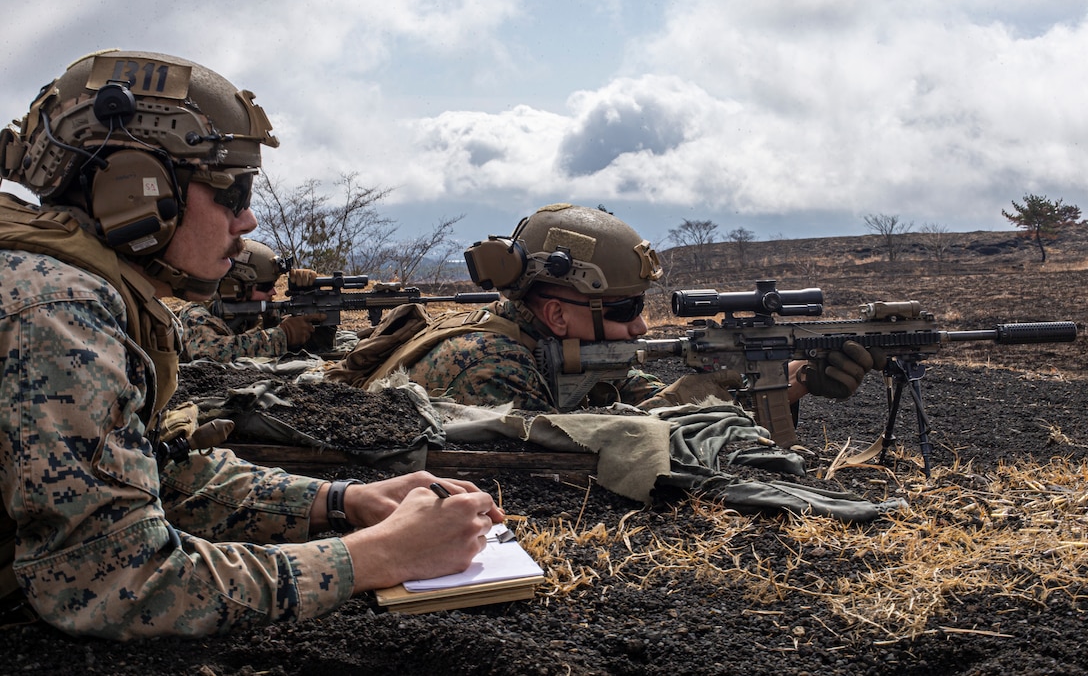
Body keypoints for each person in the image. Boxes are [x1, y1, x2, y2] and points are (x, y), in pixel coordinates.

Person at [0, 50, 501, 639]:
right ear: (137, 192)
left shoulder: (72, 286)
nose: (249, 221)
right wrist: (379, 555)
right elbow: (119, 584)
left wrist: (344, 501)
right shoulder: (55, 310)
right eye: (232, 192)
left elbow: (163, 477)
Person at [334, 203, 882, 417]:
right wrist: (696, 396)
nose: (641, 325)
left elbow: (640, 402)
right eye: (624, 308)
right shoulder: (485, 367)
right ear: (555, 314)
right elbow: (565, 467)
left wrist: (790, 382)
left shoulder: (571, 348)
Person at [167, 238, 326, 362]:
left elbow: (306, 340)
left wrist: (310, 298)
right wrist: (282, 335)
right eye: (265, 286)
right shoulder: (195, 314)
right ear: (234, 287)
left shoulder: (257, 309)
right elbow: (210, 355)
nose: (274, 291)